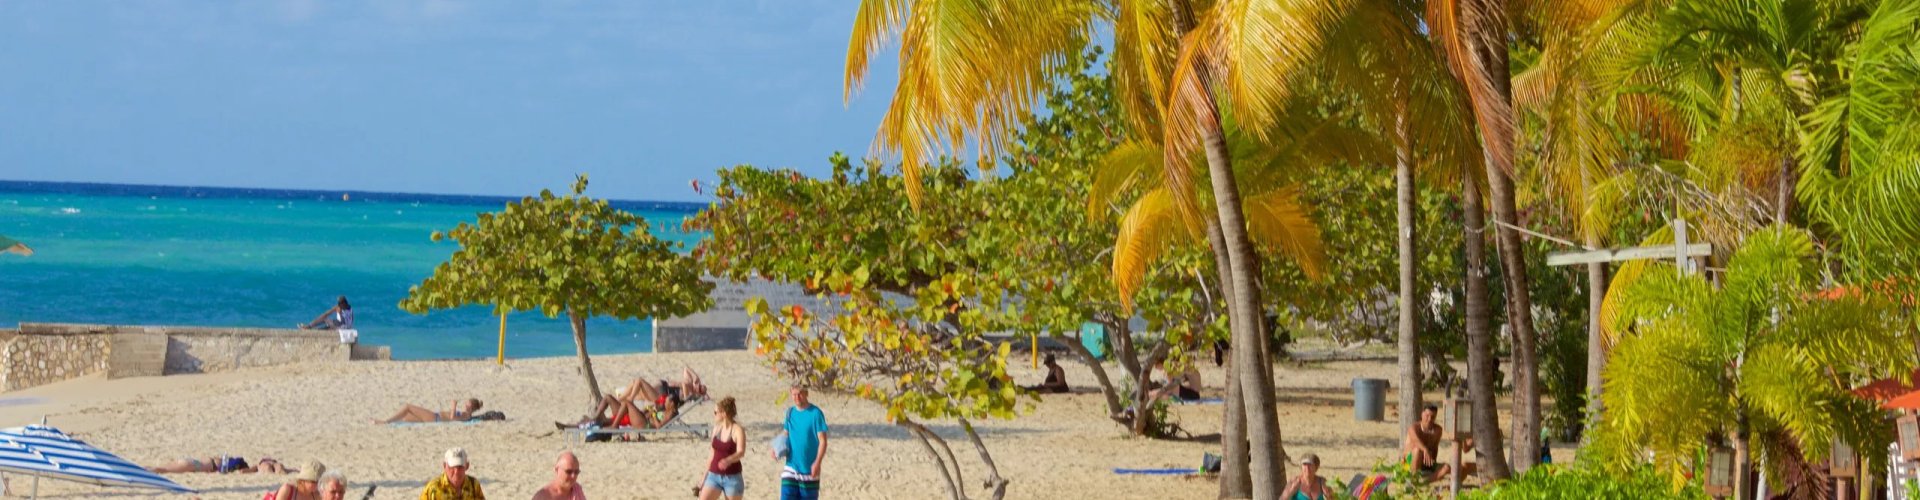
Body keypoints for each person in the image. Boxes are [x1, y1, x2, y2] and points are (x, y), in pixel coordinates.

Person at [779, 385, 828, 500]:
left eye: (800, 393)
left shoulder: (816, 413)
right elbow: (785, 433)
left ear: (806, 394)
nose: (797, 397)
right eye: (794, 394)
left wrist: (817, 462)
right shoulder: (790, 413)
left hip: (809, 470)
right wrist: (777, 448)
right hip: (791, 467)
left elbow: (823, 441)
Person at [699, 396, 746, 500]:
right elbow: (712, 454)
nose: (714, 415)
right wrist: (704, 477)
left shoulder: (737, 430)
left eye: (715, 412)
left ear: (724, 413)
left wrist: (728, 460)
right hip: (713, 475)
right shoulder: (716, 429)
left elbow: (741, 452)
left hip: (732, 477)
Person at [1404, 404, 1449, 481]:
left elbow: (1435, 447)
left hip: (1426, 464)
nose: (1429, 419)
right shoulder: (1414, 428)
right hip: (1409, 462)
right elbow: (1416, 441)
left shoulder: (1438, 430)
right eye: (1427, 416)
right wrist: (1425, 449)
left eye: (1433, 417)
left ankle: (1426, 482)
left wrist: (1432, 462)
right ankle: (1413, 480)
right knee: (1418, 450)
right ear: (1422, 414)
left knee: (1447, 468)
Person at [375, 398, 484, 424]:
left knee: (408, 407)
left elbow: (452, 418)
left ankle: (385, 422)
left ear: (472, 407)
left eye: (467, 403)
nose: (465, 404)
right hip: (435, 416)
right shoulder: (465, 414)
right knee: (405, 417)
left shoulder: (467, 416)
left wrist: (453, 406)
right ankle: (387, 422)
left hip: (435, 418)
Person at [150, 455, 287, 474]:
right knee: (162, 470)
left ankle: (144, 469)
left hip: (195, 462)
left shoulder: (226, 460)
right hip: (196, 465)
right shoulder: (239, 463)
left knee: (165, 468)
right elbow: (244, 471)